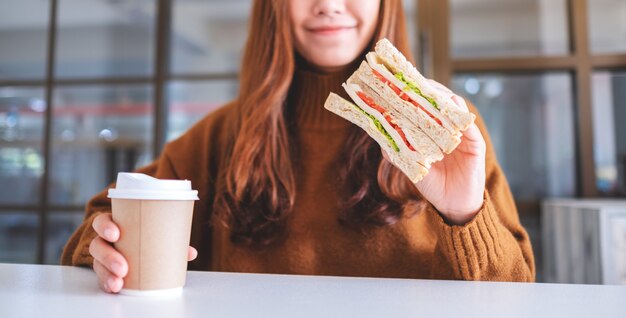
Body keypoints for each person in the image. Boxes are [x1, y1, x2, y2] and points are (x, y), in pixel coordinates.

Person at [62, 0, 535, 294]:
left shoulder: (445, 130)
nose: (328, 4)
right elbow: (106, 217)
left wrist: (465, 215)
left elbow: (516, 294)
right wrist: (103, 245)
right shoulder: (218, 137)